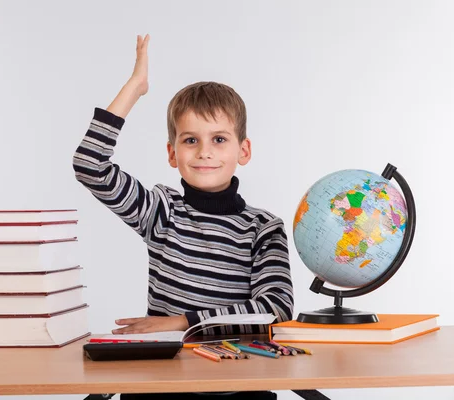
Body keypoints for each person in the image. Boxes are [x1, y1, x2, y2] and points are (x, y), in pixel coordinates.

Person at [73, 34, 294, 400]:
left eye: (219, 139)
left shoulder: (262, 227)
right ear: (172, 153)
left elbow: (274, 310)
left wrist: (182, 323)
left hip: (237, 386)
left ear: (244, 150)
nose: (205, 152)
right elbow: (89, 166)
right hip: (162, 386)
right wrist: (135, 88)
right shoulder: (162, 210)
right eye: (190, 140)